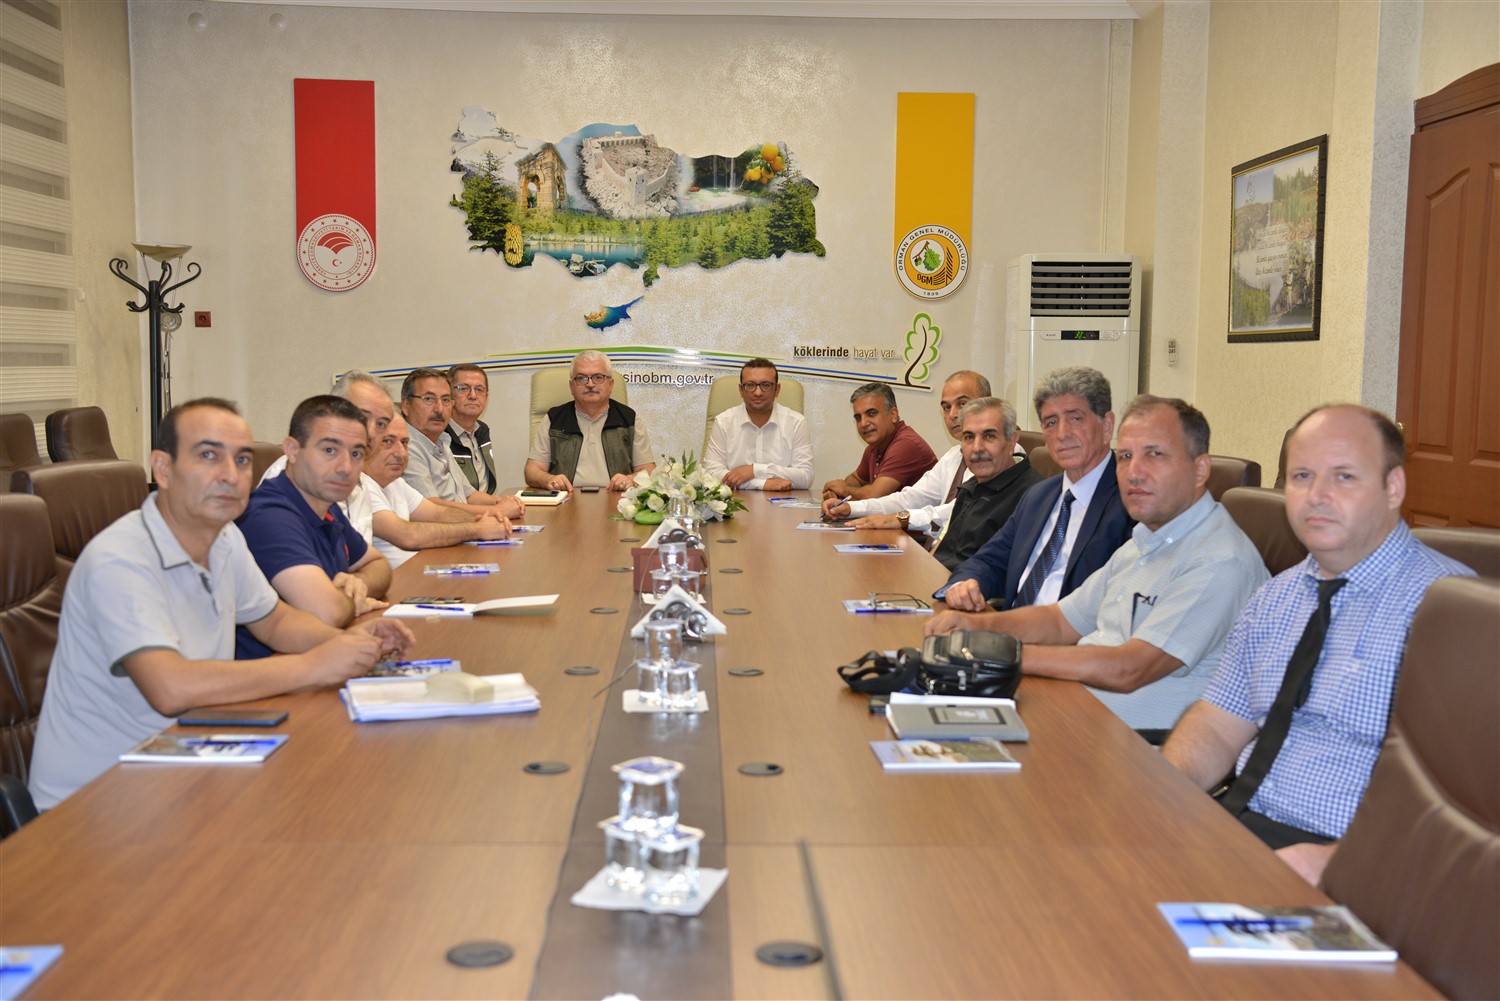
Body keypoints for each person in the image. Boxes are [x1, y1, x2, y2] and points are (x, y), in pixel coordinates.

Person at [27, 398, 413, 810]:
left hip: (185, 756)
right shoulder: (120, 559)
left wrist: (354, 644)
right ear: (163, 469)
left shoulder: (223, 537)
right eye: (208, 456)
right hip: (95, 798)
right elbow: (171, 688)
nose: (230, 474)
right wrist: (313, 665)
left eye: (242, 459)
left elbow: (276, 622)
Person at [1163, 404, 1475, 885]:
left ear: (1393, 487)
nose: (1317, 496)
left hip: (1353, 861)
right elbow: (1218, 726)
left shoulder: (1450, 615)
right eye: (1302, 476)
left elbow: (1465, 804)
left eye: (1344, 476)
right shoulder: (1276, 596)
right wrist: (1163, 796)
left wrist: (1340, 864)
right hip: (1236, 826)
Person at [927, 395, 1268, 735]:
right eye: (1126, 456)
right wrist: (977, 627)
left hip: (1133, 748)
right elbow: (1059, 621)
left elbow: (1130, 668)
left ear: (1200, 469)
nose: (1134, 473)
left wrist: (997, 652)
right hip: (1070, 712)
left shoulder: (1219, 561)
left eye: (1155, 455)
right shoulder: (1144, 542)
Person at [936, 365, 1133, 610]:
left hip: (1069, 631)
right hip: (1008, 626)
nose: (1062, 434)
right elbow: (990, 560)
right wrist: (964, 584)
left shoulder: (1132, 503)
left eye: (1076, 418)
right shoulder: (1039, 496)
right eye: (1051, 422)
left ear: (1107, 426)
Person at [236, 395, 395, 659]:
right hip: (272, 670)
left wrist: (356, 584)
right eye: (329, 450)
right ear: (292, 450)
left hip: (316, 657)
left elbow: (379, 565)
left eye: (356, 453)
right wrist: (349, 600)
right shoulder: (269, 516)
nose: (345, 467)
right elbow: (327, 612)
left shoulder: (324, 504)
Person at [821, 370, 992, 541]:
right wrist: (850, 508)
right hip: (935, 548)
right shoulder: (953, 456)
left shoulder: (997, 457)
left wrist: (898, 519)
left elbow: (959, 512)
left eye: (962, 404)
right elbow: (909, 499)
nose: (952, 414)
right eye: (946, 407)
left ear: (988, 404)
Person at [260, 370, 393, 542]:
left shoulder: (357, 482)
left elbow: (363, 555)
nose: (371, 432)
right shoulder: (299, 481)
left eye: (381, 424)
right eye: (361, 417)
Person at [365, 415, 512, 567]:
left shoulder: (395, 483)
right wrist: (477, 529)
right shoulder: (363, 486)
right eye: (387, 441)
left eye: (404, 443)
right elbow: (408, 535)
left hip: (418, 570)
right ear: (366, 445)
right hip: (401, 578)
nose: (401, 453)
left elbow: (438, 513)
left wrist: (481, 520)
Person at [928, 398, 1042, 570]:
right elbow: (943, 550)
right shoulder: (971, 486)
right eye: (969, 437)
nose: (977, 448)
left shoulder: (1033, 497)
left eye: (989, 436)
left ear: (1011, 442)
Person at [400, 367, 524, 517]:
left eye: (445, 400)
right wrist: (498, 511)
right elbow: (430, 507)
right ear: (406, 405)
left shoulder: (442, 441)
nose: (439, 409)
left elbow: (469, 495)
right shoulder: (405, 447)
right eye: (428, 399)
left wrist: (505, 501)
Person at [525, 350, 655, 491]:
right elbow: (532, 470)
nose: (590, 384)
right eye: (581, 378)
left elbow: (648, 470)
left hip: (616, 499)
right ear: (571, 386)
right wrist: (548, 480)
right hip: (567, 498)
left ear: (611, 384)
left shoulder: (630, 419)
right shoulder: (553, 419)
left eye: (598, 377)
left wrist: (630, 480)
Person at [702, 358, 812, 491]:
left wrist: (755, 470)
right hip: (736, 501)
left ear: (777, 389)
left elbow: (805, 477)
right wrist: (762, 484)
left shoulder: (796, 422)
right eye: (750, 385)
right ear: (741, 390)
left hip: (782, 502)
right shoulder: (723, 422)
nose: (758, 392)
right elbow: (711, 473)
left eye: (765, 385)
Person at [820, 382, 937, 503]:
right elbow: (855, 479)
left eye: (871, 413)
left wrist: (845, 490)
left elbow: (875, 497)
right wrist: (838, 492)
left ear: (893, 415)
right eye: (858, 418)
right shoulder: (874, 446)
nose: (863, 423)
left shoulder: (906, 444)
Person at [446, 363, 497, 495]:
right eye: (463, 388)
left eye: (479, 389)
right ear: (449, 394)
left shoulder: (482, 431)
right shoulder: (440, 435)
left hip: (486, 504)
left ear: (486, 397)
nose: (473, 395)